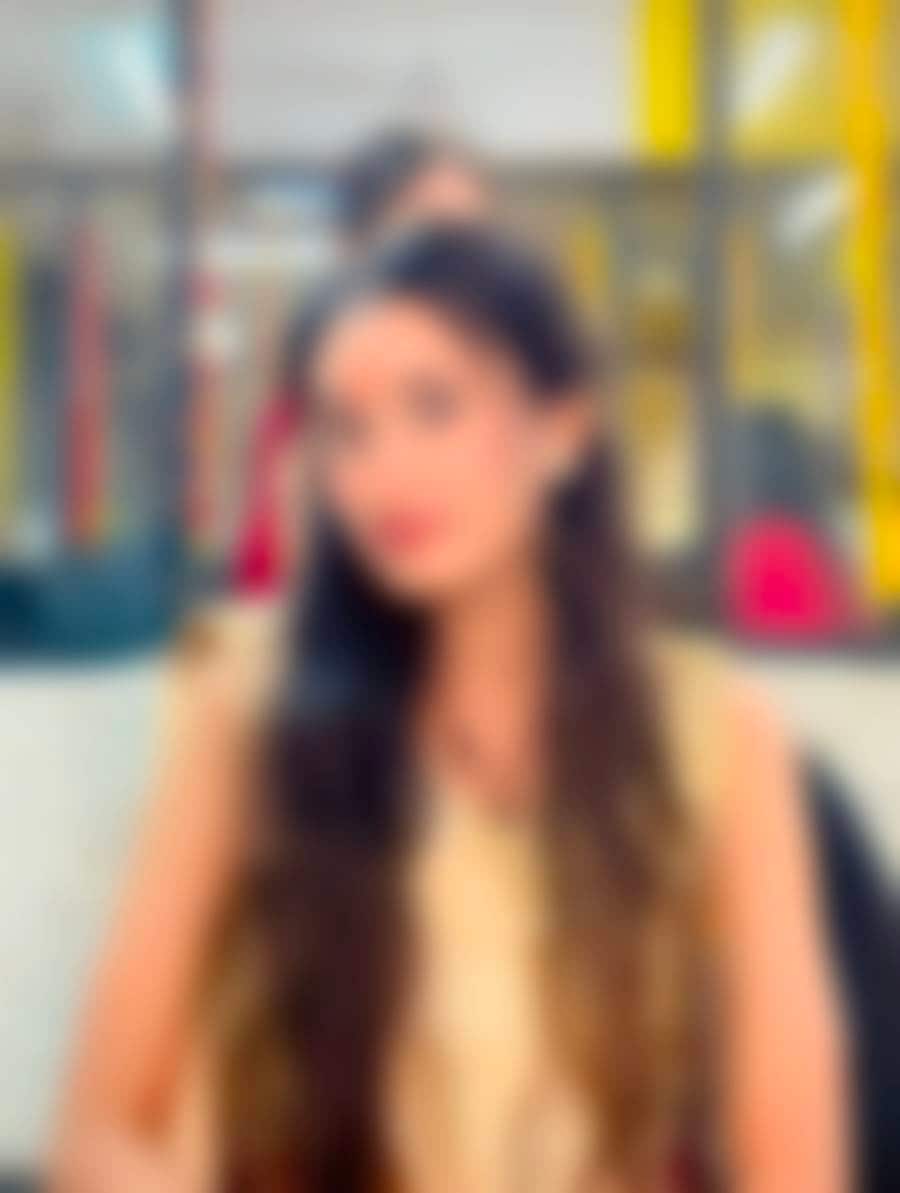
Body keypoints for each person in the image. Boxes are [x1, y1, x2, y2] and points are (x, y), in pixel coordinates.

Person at [51, 226, 848, 1192]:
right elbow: (95, 1135)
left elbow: (793, 1161)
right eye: (347, 429)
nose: (386, 469)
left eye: (434, 406)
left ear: (563, 429)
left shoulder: (715, 731)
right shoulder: (254, 709)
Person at [232, 127, 492, 597]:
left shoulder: (498, 390)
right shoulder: (319, 396)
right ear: (361, 248)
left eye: (472, 241)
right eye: (432, 238)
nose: (460, 267)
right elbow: (288, 582)